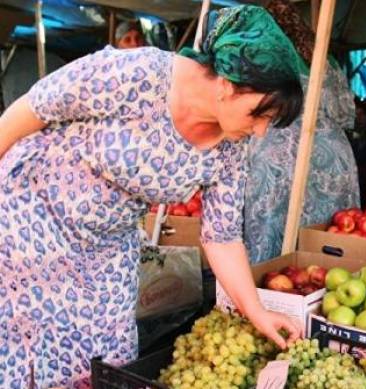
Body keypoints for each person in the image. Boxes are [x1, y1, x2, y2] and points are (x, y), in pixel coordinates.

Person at [0, 5, 304, 388]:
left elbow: (222, 235)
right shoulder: (136, 74)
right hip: (34, 218)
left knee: (105, 357)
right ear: (229, 85)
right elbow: (31, 109)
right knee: (29, 342)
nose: (260, 132)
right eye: (259, 115)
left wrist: (256, 311)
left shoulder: (229, 148)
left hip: (106, 247)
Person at [244, 0, 360, 262]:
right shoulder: (322, 57)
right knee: (328, 238)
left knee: (270, 240)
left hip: (275, 156)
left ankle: (267, 294)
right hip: (332, 158)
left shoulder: (259, 56)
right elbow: (345, 115)